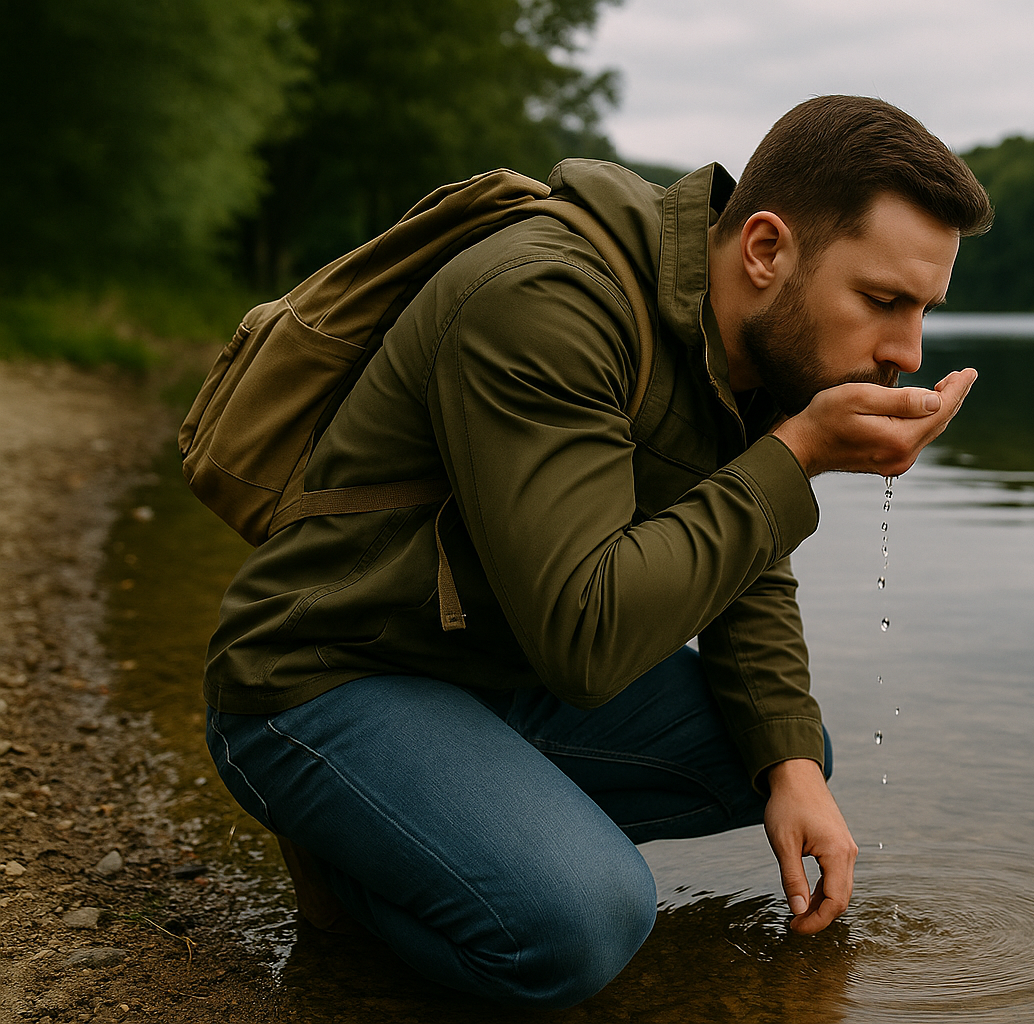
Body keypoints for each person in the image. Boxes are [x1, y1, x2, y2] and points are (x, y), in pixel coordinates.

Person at [202, 95, 992, 1008]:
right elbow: (588, 641)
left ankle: (447, 817)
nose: (906, 351)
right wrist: (798, 456)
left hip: (493, 664)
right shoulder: (547, 300)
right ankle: (352, 861)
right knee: (585, 923)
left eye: (924, 310)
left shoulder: (747, 342)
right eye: (883, 301)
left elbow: (743, 559)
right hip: (327, 673)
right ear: (767, 250)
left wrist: (793, 770)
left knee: (781, 742)